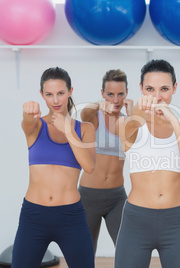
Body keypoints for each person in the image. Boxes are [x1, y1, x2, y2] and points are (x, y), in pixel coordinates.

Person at [114, 59, 180, 268]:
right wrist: (138, 110)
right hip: (137, 220)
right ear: (141, 90)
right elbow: (128, 134)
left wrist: (173, 120)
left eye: (164, 89)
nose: (157, 96)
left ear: (174, 89)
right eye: (150, 89)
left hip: (176, 221)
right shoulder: (127, 123)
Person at [13, 67, 96, 267]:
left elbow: (89, 166)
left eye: (60, 93)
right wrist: (27, 113)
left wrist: (67, 130)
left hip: (70, 217)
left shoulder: (84, 129)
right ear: (42, 95)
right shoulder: (35, 126)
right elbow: (26, 123)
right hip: (33, 216)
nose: (56, 100)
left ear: (70, 91)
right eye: (49, 94)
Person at [79, 69, 132, 253]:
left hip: (117, 198)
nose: (115, 100)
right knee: (84, 254)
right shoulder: (94, 117)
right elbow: (84, 114)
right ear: (102, 94)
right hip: (88, 197)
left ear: (126, 94)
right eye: (110, 94)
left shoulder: (128, 123)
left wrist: (133, 112)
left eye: (120, 94)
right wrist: (99, 105)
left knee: (127, 251)